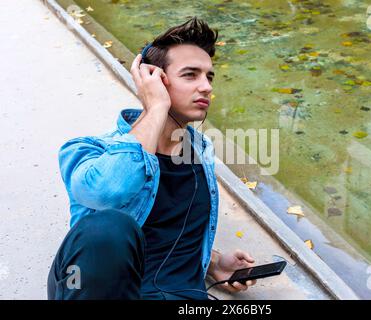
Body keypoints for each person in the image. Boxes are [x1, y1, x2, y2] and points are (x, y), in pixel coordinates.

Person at [47, 17, 257, 300]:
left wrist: (215, 263)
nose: (206, 87)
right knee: (110, 227)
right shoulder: (86, 150)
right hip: (107, 292)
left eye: (209, 77)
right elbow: (107, 193)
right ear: (153, 79)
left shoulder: (200, 154)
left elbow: (168, 230)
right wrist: (156, 106)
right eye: (191, 74)